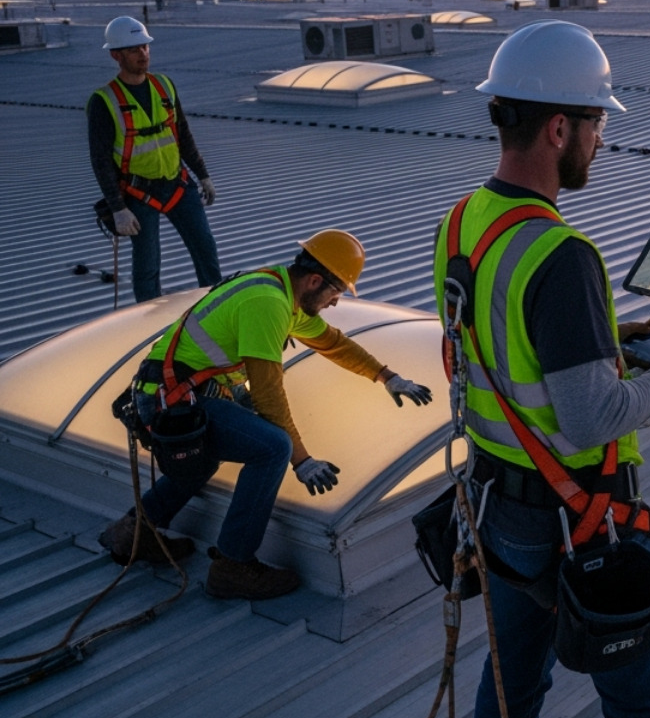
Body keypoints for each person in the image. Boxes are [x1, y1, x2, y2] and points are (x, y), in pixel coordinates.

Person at [435, 21, 650, 718]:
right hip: (580, 521)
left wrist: (605, 338)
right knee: (642, 707)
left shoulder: (464, 220)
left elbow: (499, 339)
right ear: (559, 127)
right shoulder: (563, 254)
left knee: (511, 687)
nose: (602, 138)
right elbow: (590, 420)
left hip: (498, 504)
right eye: (595, 121)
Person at [98, 230, 433, 600]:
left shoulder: (282, 291)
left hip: (179, 395)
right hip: (171, 401)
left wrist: (388, 377)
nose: (335, 304)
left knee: (208, 455)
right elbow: (269, 396)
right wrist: (302, 460)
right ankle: (233, 565)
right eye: (335, 294)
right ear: (315, 280)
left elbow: (333, 344)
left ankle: (135, 533)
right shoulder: (267, 304)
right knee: (273, 447)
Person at [87, 15, 222, 302]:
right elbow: (100, 160)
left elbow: (182, 134)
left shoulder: (164, 86)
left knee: (206, 250)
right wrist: (118, 208)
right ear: (116, 55)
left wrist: (203, 175)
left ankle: (218, 309)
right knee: (147, 266)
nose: (143, 54)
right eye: (134, 50)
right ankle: (148, 325)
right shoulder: (104, 101)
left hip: (177, 183)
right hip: (138, 192)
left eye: (145, 48)